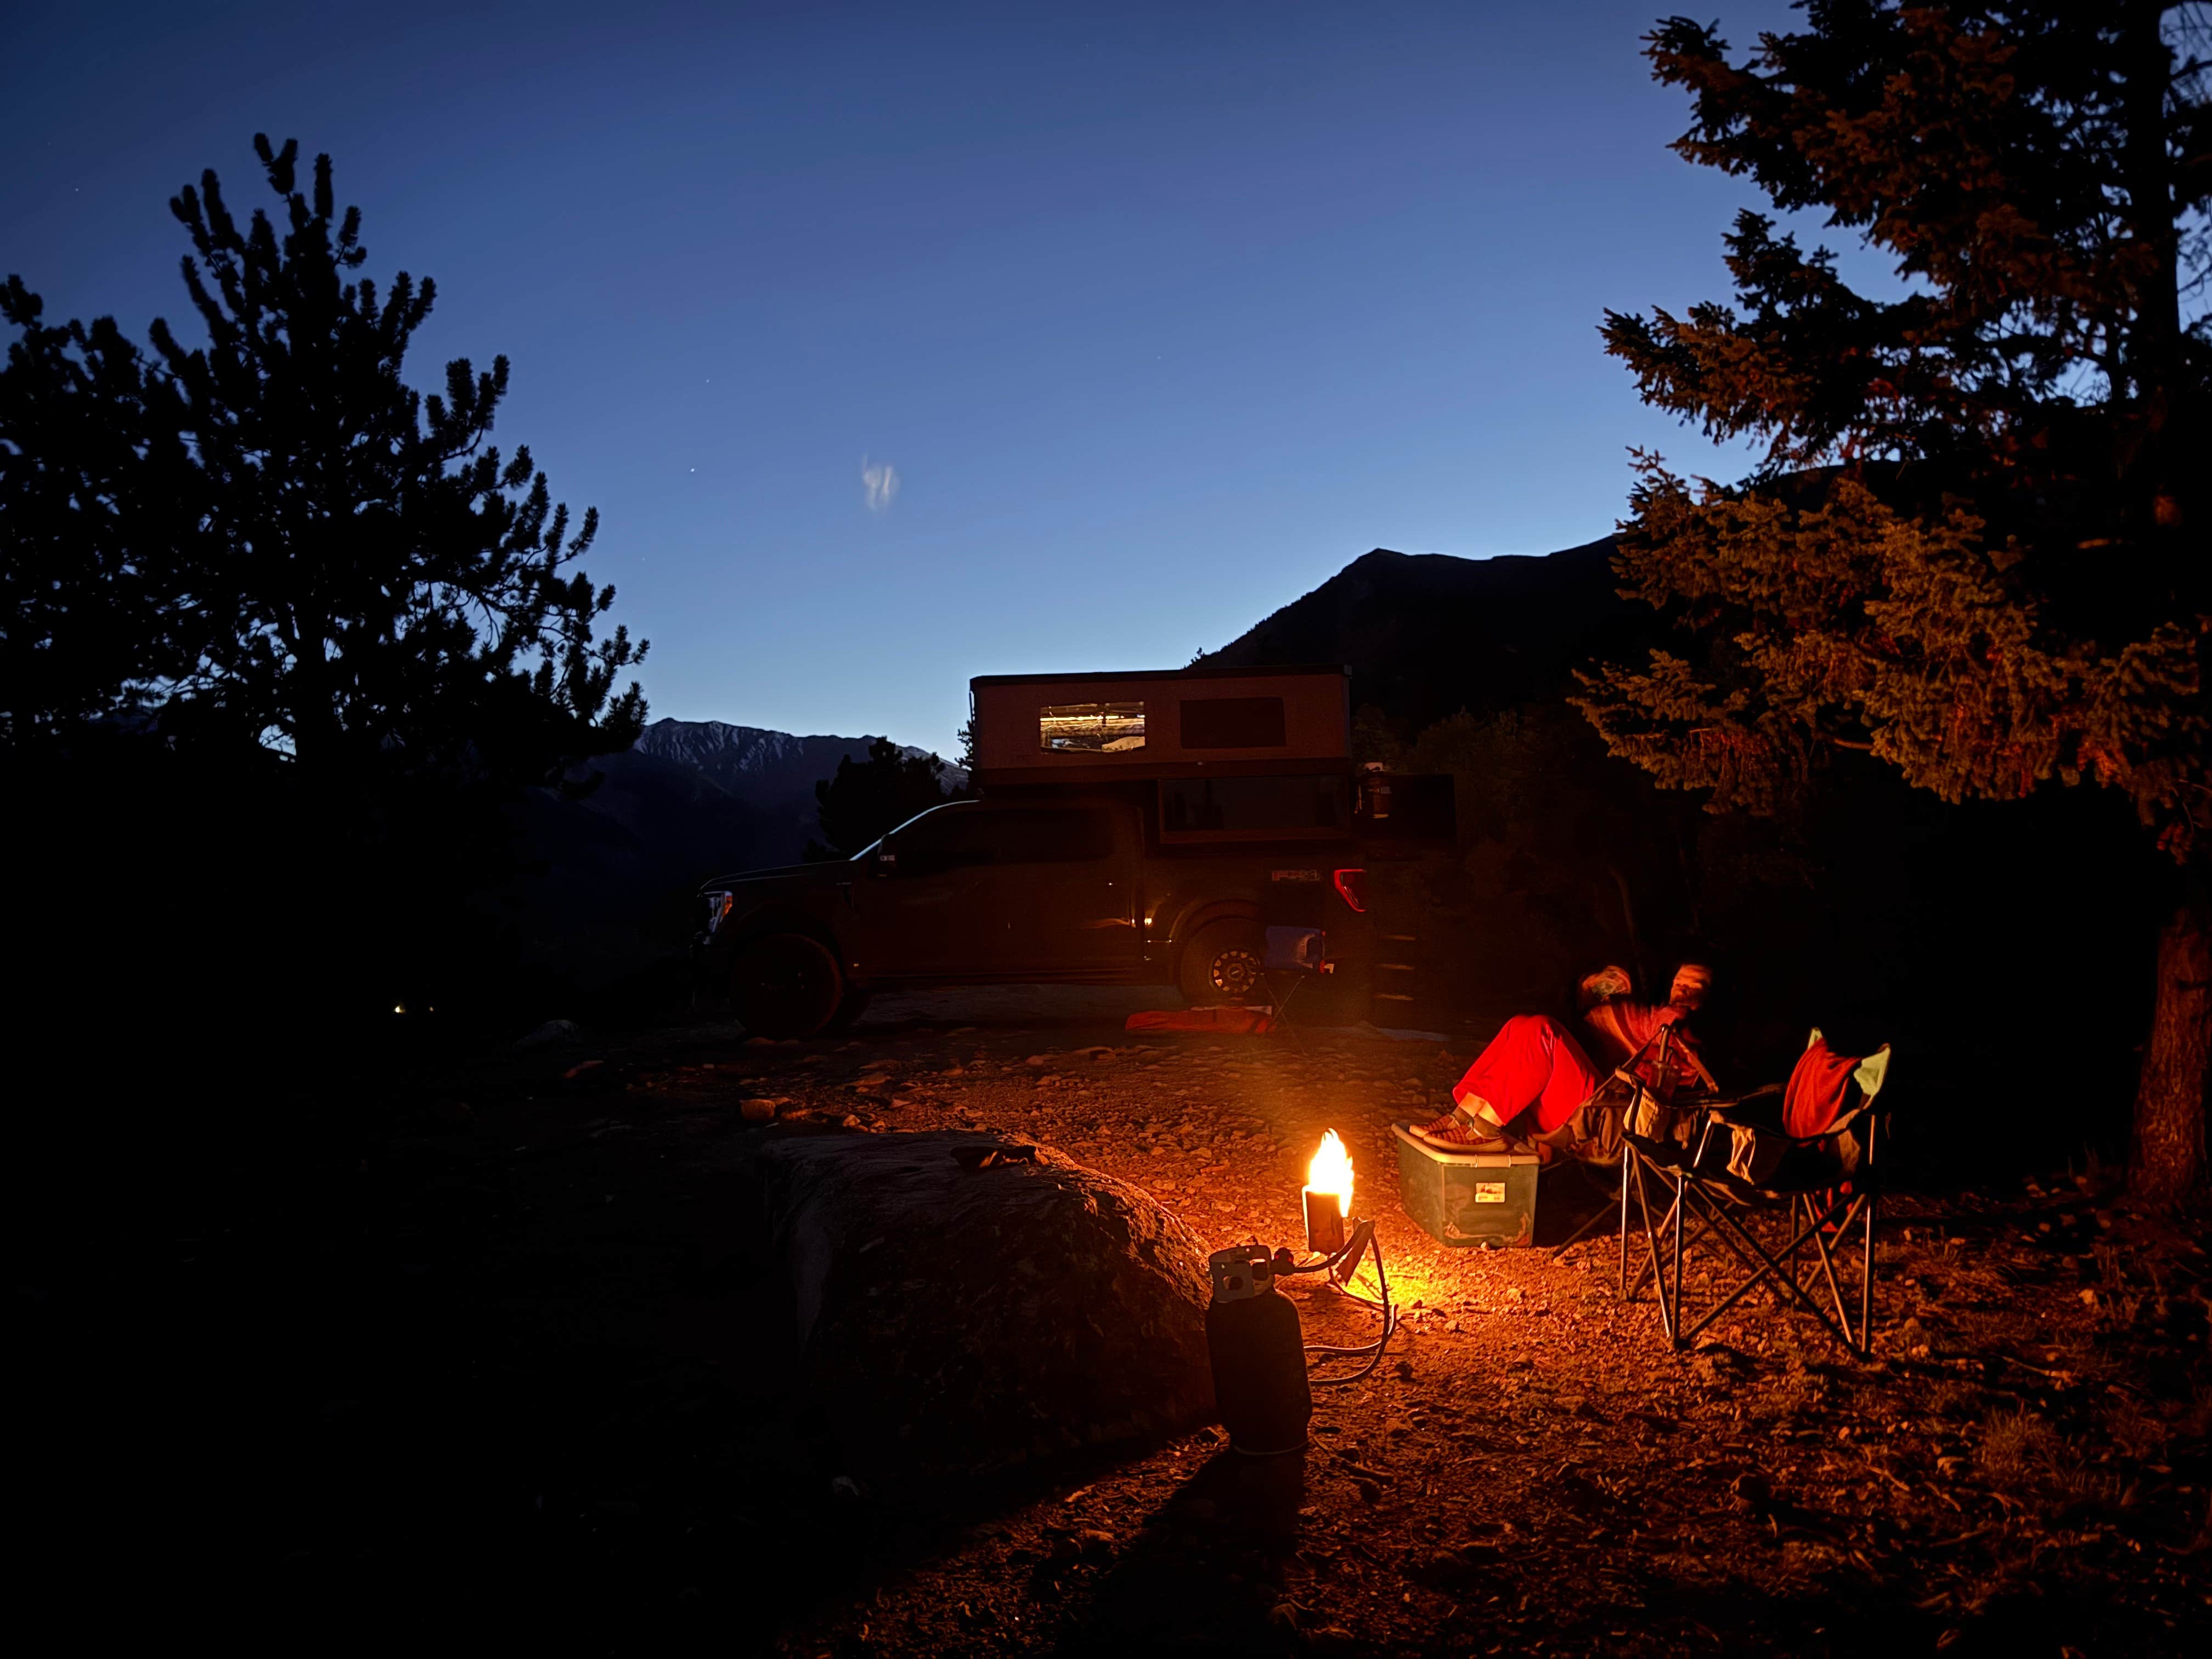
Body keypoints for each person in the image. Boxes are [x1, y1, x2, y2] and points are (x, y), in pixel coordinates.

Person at [1410, 963, 1714, 1155]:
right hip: (1601, 1105)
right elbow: (1621, 1020)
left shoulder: (1691, 1030)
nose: (1683, 989)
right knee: (1521, 1025)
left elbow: (1655, 1021)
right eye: (1679, 983)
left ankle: (1486, 1130)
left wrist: (1608, 1000)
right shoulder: (1660, 1023)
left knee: (1545, 1031)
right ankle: (1463, 1116)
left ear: (1711, 996)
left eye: (1695, 985)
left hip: (1612, 1121)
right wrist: (1602, 996)